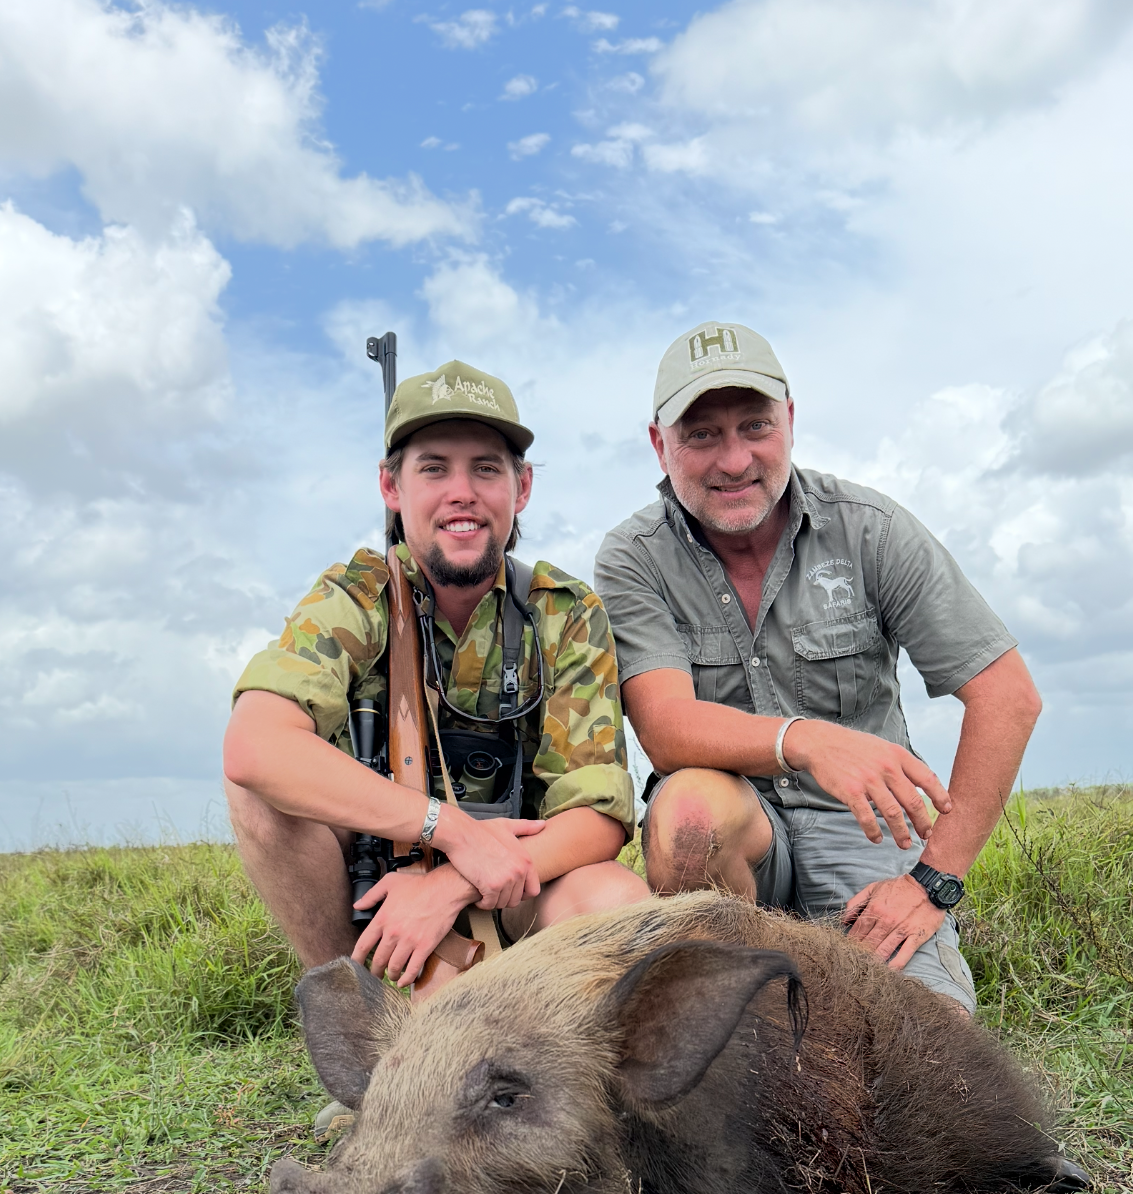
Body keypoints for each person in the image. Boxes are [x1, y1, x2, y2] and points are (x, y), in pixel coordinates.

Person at [594, 321, 1044, 1015]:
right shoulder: (633, 557)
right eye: (702, 434)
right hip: (738, 840)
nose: (735, 459)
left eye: (754, 426)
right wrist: (804, 739)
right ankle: (727, 1000)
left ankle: (898, 957)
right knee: (686, 813)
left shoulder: (870, 528)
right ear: (660, 444)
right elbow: (664, 725)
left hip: (864, 835)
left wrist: (932, 883)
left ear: (791, 420)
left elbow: (1008, 697)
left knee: (927, 1045)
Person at [225, 359, 647, 996]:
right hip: (386, 892)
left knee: (616, 901)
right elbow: (255, 746)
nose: (462, 493)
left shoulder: (564, 612)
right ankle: (360, 1020)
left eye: (486, 468)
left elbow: (598, 816)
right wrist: (446, 830)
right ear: (391, 487)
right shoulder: (359, 596)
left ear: (522, 487)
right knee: (260, 797)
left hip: (517, 888)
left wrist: (456, 880)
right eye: (433, 468)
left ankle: (576, 1067)